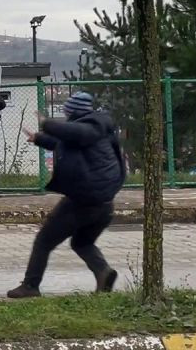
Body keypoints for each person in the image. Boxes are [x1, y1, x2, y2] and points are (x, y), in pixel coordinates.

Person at [7, 92, 125, 299]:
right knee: (82, 242)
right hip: (104, 204)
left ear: (73, 112)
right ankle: (103, 272)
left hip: (82, 202)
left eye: (67, 111)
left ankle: (30, 286)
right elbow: (65, 142)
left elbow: (74, 133)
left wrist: (47, 123)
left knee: (44, 240)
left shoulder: (89, 127)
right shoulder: (97, 131)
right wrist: (38, 139)